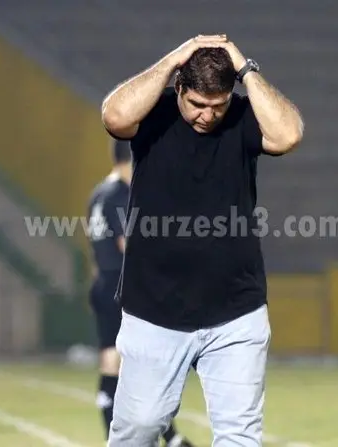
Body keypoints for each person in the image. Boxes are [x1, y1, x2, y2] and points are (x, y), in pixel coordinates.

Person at [100, 34, 304, 446]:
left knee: (239, 436)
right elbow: (114, 116)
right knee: (139, 428)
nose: (208, 116)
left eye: (218, 105)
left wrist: (244, 68)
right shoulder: (154, 114)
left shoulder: (242, 117)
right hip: (154, 310)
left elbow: (288, 135)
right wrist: (173, 59)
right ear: (179, 86)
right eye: (197, 104)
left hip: (236, 312)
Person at [86, 139, 195, 447]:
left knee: (113, 363)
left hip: (104, 284)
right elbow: (130, 245)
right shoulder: (121, 194)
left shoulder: (98, 194)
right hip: (124, 289)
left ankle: (166, 437)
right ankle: (158, 438)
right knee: (145, 364)